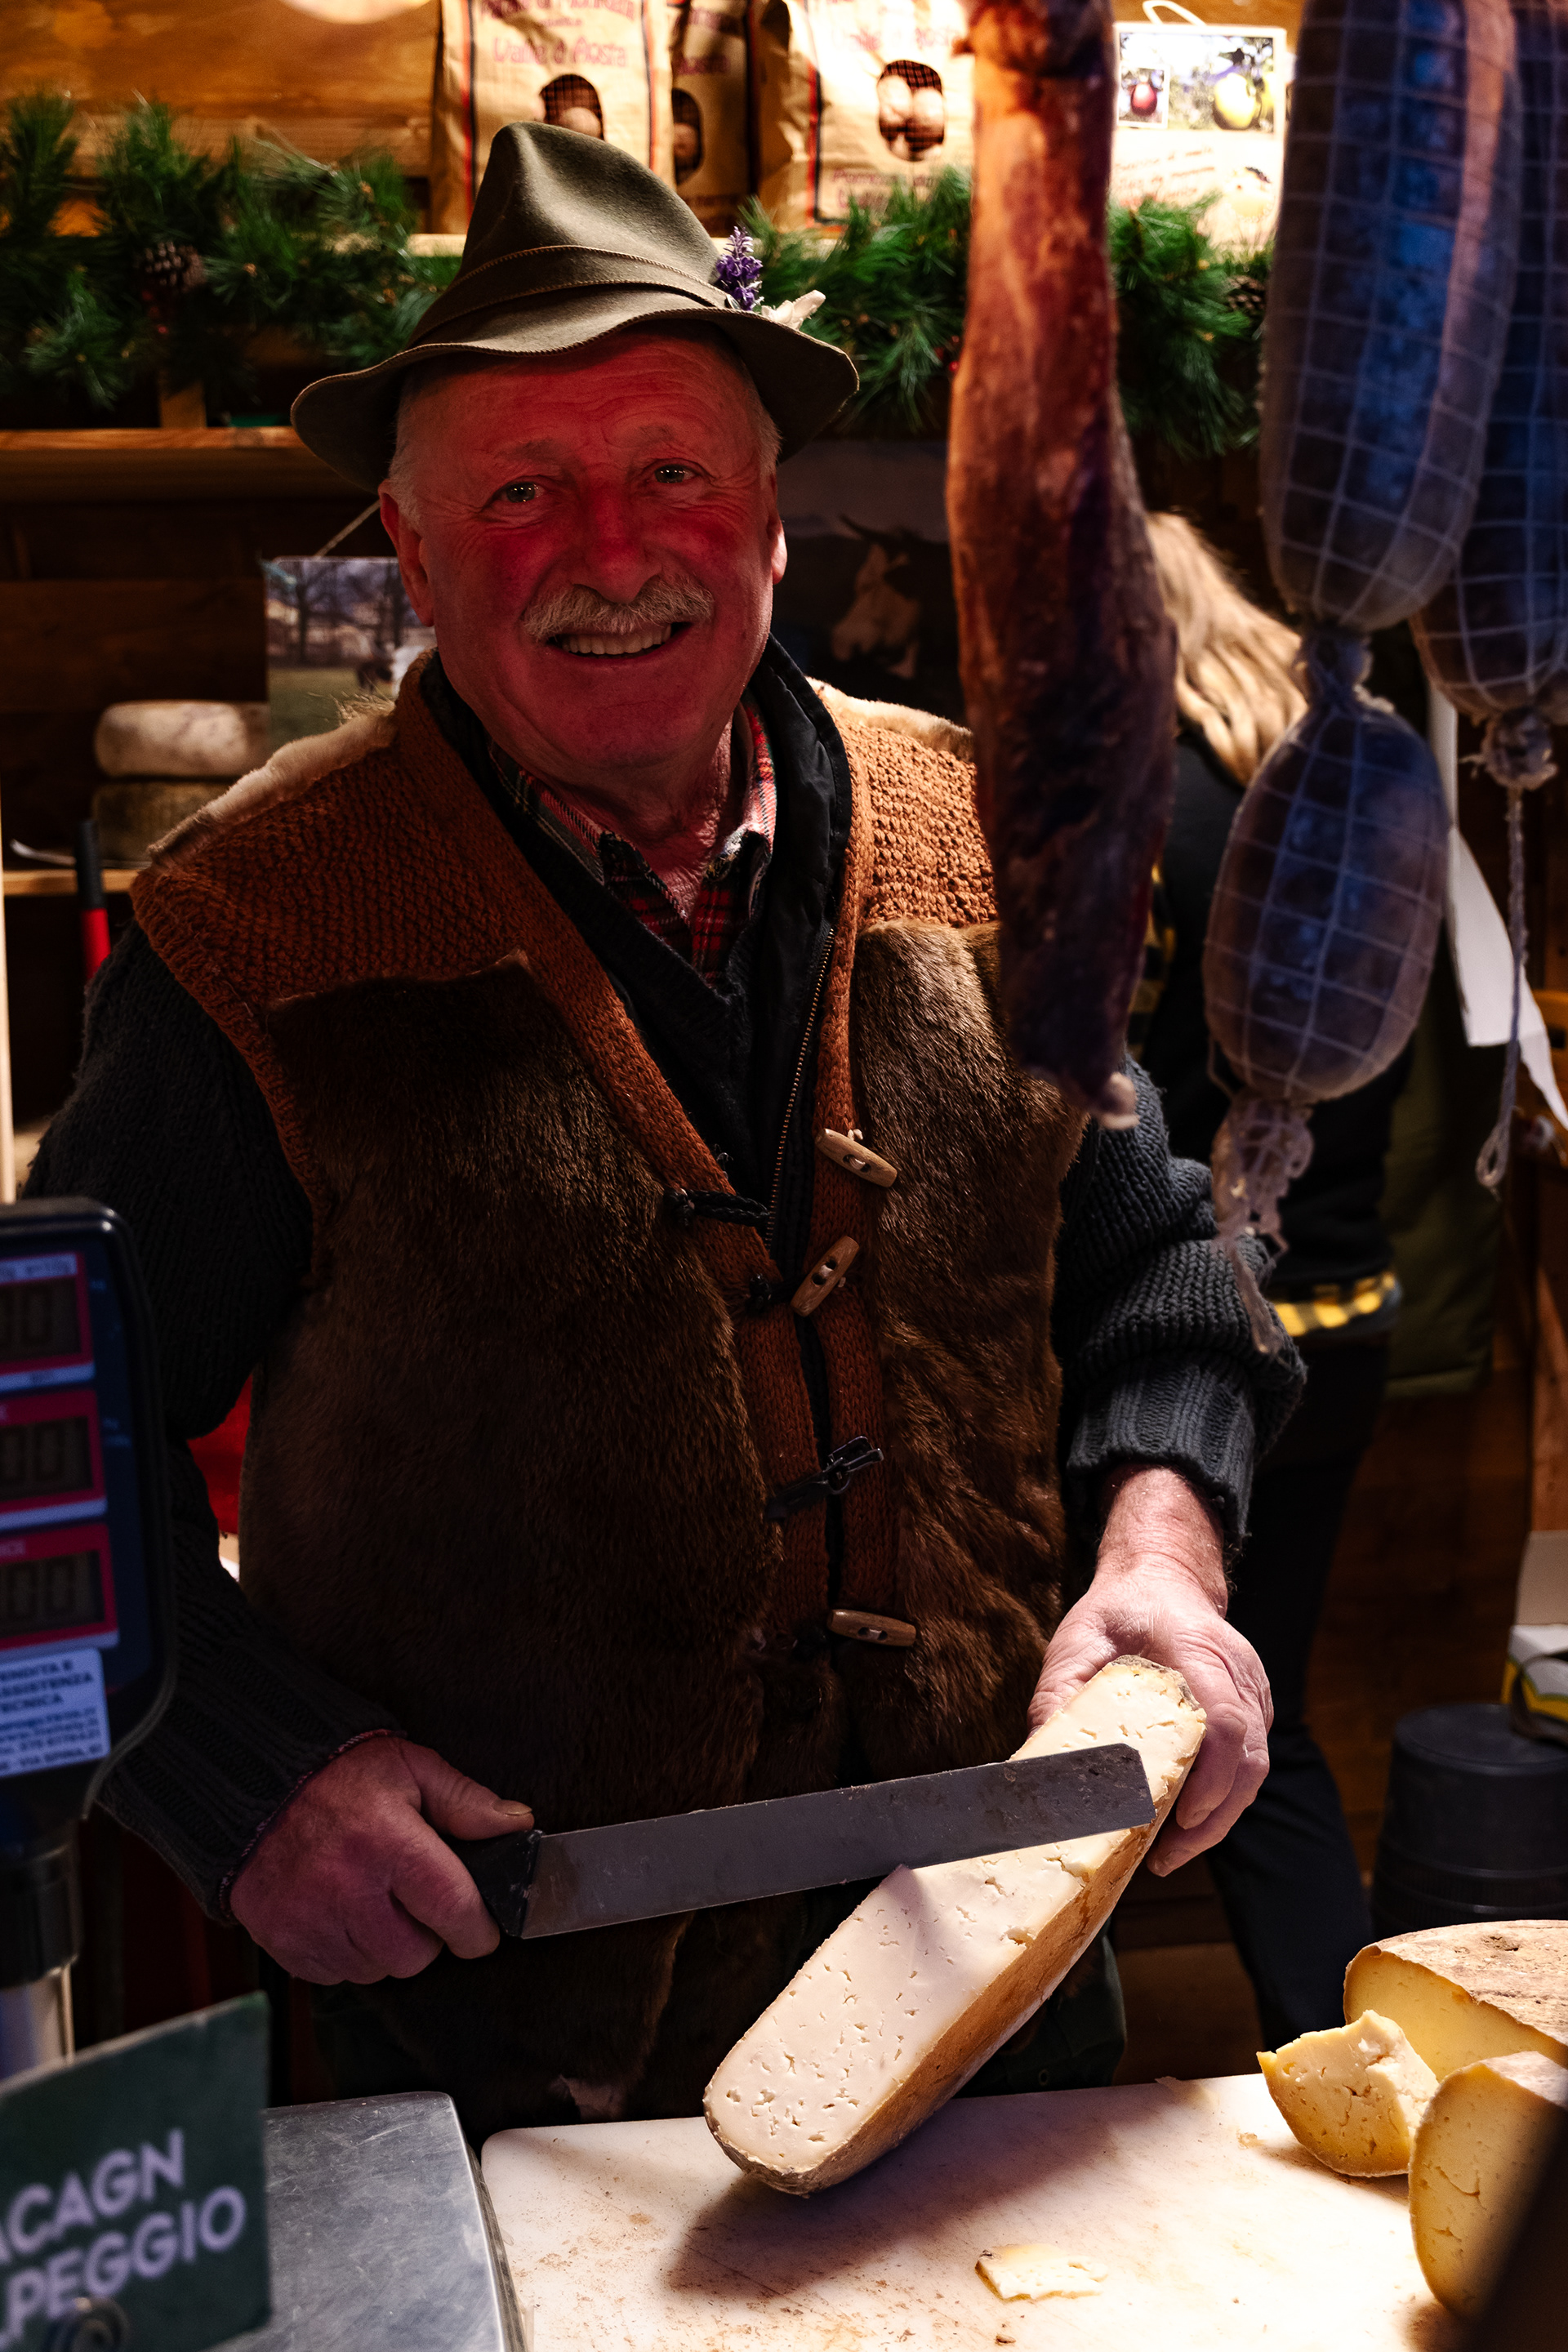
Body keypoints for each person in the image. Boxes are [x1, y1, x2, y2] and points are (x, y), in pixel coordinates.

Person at [31, 129, 1300, 2138]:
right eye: (521, 492)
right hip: (509, 2039)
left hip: (998, 1979)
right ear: (413, 557)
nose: (611, 553)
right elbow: (42, 1467)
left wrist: (1163, 1551)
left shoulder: (983, 833)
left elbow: (1158, 1269)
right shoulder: (254, 931)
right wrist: (251, 1774)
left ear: (770, 521)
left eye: (673, 476)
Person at [1140, 514, 1404, 2044]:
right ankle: (1354, 2058)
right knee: (1267, 1715)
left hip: (1187, 1328)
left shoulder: (1144, 809)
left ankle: (1048, 2096)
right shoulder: (1345, 798)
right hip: (1346, 1309)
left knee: (1116, 1708)